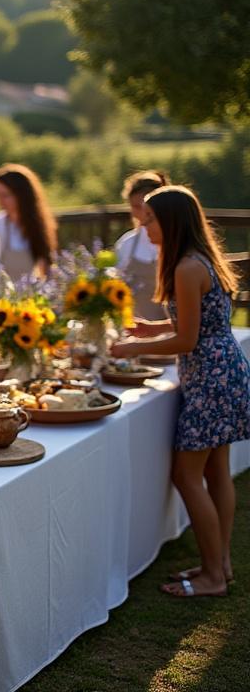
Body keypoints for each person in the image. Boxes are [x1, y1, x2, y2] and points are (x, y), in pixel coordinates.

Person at [112, 185, 248, 599]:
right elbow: (200, 321)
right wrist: (151, 329)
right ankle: (219, 564)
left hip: (208, 378)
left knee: (186, 476)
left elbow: (188, 339)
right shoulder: (202, 259)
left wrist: (133, 347)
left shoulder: (186, 268)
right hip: (224, 371)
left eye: (149, 219)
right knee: (215, 472)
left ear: (170, 221)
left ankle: (211, 576)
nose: (144, 226)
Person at [115, 170, 171, 321]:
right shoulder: (127, 243)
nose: (141, 213)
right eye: (135, 207)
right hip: (136, 329)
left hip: (171, 331)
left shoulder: (176, 244)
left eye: (144, 207)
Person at [0, 163, 58, 281]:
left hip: (32, 295)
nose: (0, 201)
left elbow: (46, 268)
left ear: (22, 195)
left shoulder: (39, 226)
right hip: (2, 297)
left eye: (5, 195)